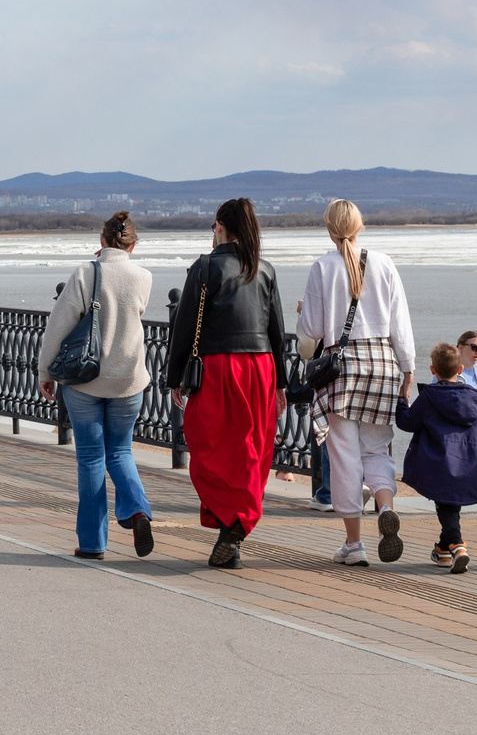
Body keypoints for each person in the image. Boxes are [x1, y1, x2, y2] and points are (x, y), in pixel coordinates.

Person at [162, 198, 291, 570]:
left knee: (209, 449)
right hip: (261, 367)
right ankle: (233, 531)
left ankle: (231, 527)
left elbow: (183, 328)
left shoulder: (204, 267)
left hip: (219, 367)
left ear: (219, 226)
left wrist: (175, 378)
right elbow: (277, 331)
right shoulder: (264, 270)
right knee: (251, 449)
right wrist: (280, 381)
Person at [296, 198, 416, 566]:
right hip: (382, 364)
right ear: (359, 226)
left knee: (345, 456)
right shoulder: (384, 263)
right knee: (377, 449)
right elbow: (400, 323)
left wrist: (303, 313)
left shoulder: (323, 267)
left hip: (342, 369)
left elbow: (311, 332)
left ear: (329, 228)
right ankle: (384, 506)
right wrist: (408, 370)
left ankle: (354, 544)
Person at [37, 211, 156, 561]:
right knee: (121, 452)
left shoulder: (85, 273)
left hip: (85, 380)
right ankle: (137, 511)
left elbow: (58, 326)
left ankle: (91, 543)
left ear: (101, 242)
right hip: (129, 379)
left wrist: (46, 371)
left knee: (90, 457)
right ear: (133, 245)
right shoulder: (143, 277)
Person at [396, 342, 477, 573]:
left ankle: (458, 546)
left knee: (445, 503)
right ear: (460, 370)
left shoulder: (430, 397)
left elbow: (407, 422)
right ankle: (442, 550)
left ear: (432, 370)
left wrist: (402, 400)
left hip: (439, 462)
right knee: (450, 503)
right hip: (469, 462)